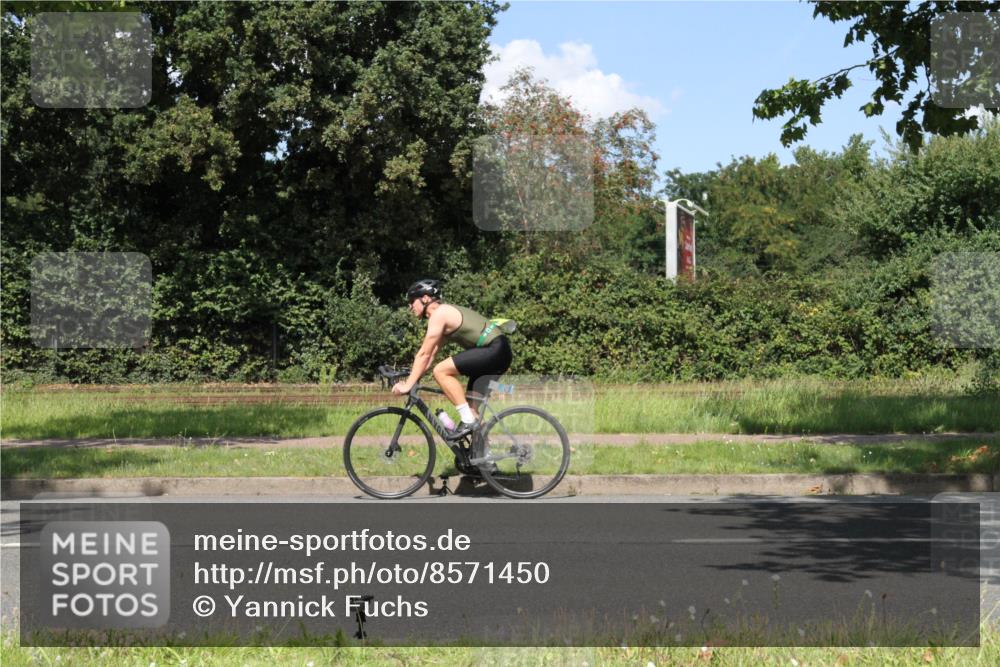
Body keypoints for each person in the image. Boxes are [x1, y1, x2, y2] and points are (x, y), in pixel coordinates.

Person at [391, 279, 513, 438]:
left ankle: (467, 420)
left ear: (425, 298)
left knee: (440, 371)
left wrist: (407, 385)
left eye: (412, 301)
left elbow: (423, 354)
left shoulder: (440, 314)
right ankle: (485, 460)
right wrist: (413, 378)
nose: (410, 306)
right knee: (473, 411)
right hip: (498, 352)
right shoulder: (444, 316)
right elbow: (430, 356)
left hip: (494, 349)